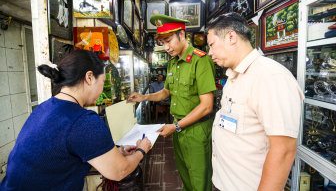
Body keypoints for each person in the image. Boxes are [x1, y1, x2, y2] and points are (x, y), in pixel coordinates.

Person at [0, 50, 151, 191]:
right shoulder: (83, 122)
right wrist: (141, 150)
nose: (102, 88)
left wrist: (118, 152)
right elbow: (119, 171)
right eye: (103, 81)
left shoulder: (45, 107)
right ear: (89, 77)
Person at [206, 12, 304, 191]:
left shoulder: (270, 77)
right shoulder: (233, 76)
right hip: (224, 182)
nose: (210, 53)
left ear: (231, 37)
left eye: (212, 45)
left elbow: (283, 151)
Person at [127, 14, 216, 191]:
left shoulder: (201, 60)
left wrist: (175, 127)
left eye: (168, 40)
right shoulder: (172, 63)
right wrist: (144, 97)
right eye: (162, 43)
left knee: (199, 180)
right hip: (179, 128)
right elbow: (166, 91)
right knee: (185, 176)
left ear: (181, 35)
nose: (166, 47)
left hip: (196, 131)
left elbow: (207, 105)